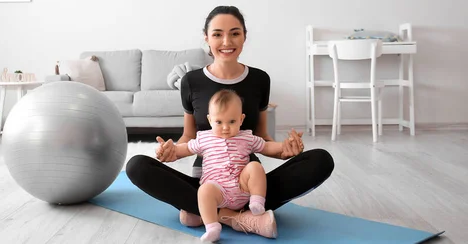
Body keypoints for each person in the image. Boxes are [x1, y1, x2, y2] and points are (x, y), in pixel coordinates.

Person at [126, 5, 335, 240]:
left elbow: (263, 139)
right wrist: (171, 152)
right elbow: (189, 138)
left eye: (235, 33)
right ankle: (234, 217)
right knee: (137, 167)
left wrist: (286, 150)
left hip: (249, 183)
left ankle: (210, 214)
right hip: (208, 183)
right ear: (206, 38)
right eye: (217, 34)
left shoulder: (260, 79)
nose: (227, 41)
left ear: (245, 36)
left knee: (321, 160)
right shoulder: (191, 81)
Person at [157, 89, 286, 242]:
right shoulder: (204, 138)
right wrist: (170, 149)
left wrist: (284, 146)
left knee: (255, 167)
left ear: (241, 119)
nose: (225, 127)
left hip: (243, 187)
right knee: (204, 190)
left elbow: (266, 146)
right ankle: (212, 227)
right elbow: (184, 149)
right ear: (210, 120)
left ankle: (257, 202)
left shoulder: (247, 137)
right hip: (218, 193)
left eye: (232, 121)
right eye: (219, 122)